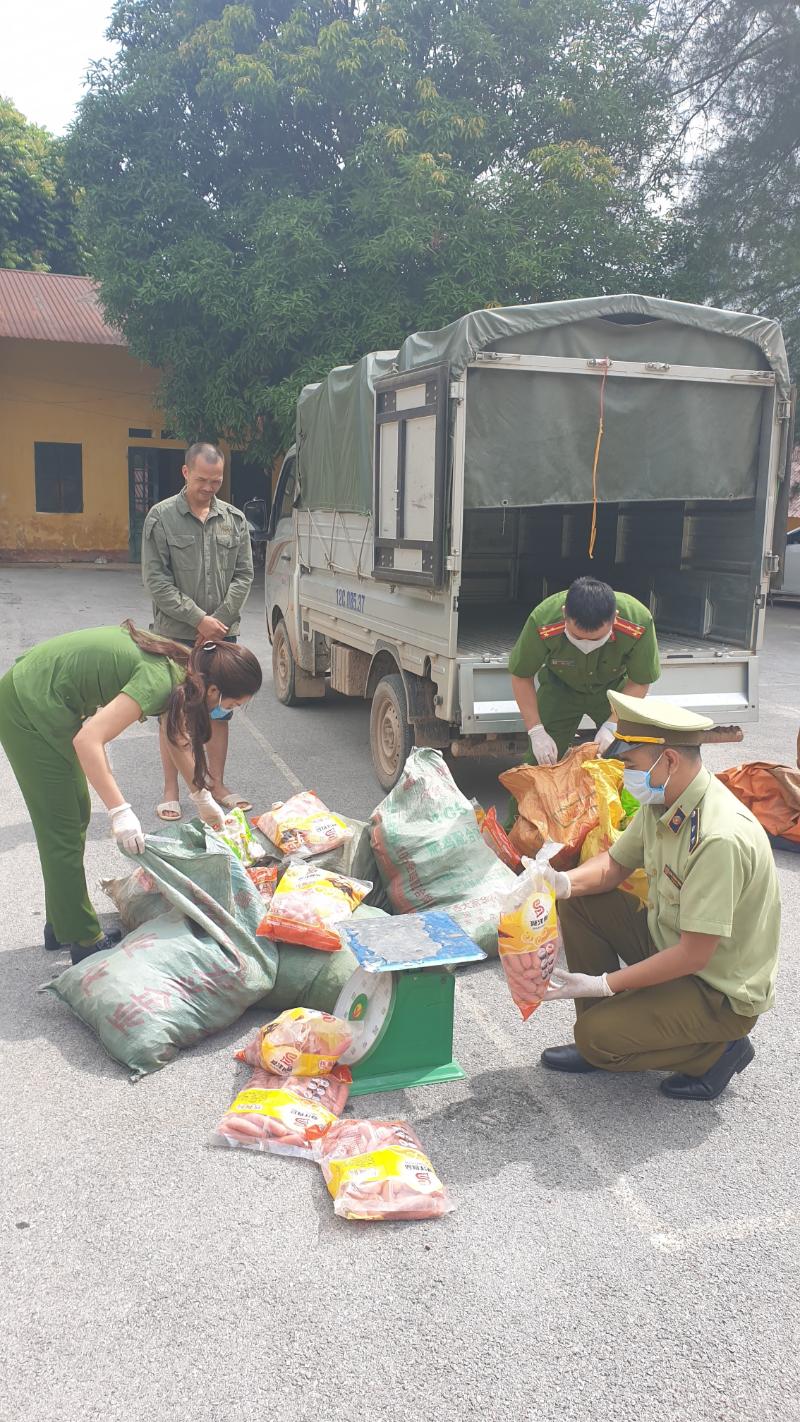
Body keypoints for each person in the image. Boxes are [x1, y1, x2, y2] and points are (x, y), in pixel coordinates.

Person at [538, 690, 781, 1101]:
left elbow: (694, 955)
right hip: (670, 942)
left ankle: (717, 1051)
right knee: (578, 900)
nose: (625, 774)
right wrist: (557, 882)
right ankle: (613, 1030)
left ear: (667, 760)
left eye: (630, 763)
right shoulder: (664, 799)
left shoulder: (717, 836)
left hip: (715, 991)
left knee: (597, 1039)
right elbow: (614, 867)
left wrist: (604, 984)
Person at [0, 623, 262, 965]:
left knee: (72, 813)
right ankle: (82, 939)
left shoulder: (186, 670)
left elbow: (176, 738)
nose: (231, 711)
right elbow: (88, 740)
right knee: (62, 824)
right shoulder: (160, 680)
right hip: (28, 704)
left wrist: (202, 799)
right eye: (234, 703)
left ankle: (62, 922)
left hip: (49, 697)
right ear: (213, 690)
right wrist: (119, 811)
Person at [142, 441, 254, 821]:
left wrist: (218, 621)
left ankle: (215, 784)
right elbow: (156, 580)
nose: (209, 487)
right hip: (176, 634)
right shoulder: (161, 518)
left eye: (217, 481)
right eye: (203, 480)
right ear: (186, 472)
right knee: (172, 712)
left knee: (220, 710)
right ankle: (172, 789)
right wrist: (197, 619)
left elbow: (244, 575)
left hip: (222, 633)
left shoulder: (235, 520)